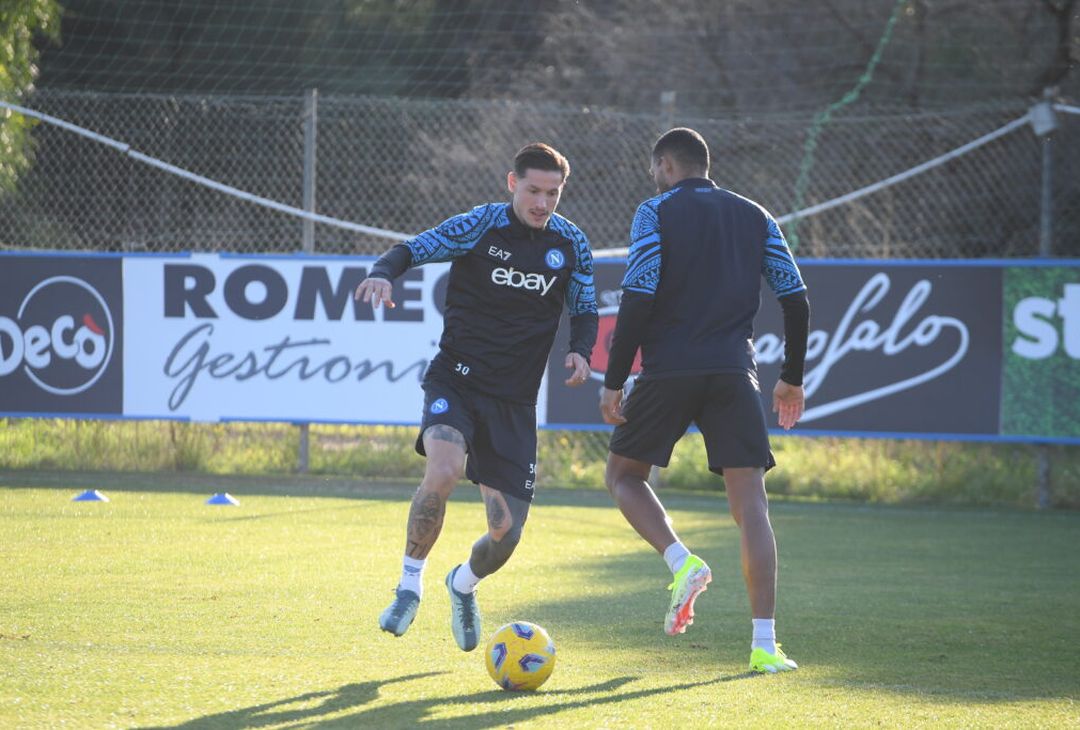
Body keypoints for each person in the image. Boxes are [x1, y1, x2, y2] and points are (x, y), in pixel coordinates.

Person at [355, 142, 598, 652]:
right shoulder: (479, 226)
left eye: (552, 193)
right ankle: (407, 586)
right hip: (456, 382)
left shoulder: (571, 242)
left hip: (513, 402)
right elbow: (415, 248)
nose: (542, 202)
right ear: (513, 183)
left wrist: (580, 350)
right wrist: (381, 272)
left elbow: (585, 307)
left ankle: (462, 583)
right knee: (443, 472)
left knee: (505, 534)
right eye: (533, 190)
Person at [599, 128, 809, 674]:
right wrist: (792, 378)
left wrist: (615, 378)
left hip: (669, 369)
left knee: (623, 477)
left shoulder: (654, 212)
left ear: (666, 165)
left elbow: (638, 296)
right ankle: (765, 644)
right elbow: (795, 297)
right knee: (752, 508)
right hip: (734, 373)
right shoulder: (755, 214)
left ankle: (680, 559)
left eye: (656, 169)